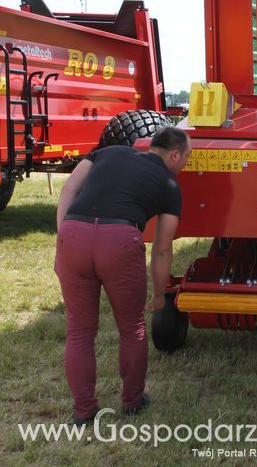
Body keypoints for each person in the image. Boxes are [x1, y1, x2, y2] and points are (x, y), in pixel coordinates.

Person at [55, 126, 191, 425]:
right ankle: (132, 401)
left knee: (79, 331)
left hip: (73, 235)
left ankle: (84, 411)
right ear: (174, 154)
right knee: (132, 328)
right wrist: (158, 294)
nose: (186, 165)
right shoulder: (169, 186)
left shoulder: (108, 152)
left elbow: (69, 190)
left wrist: (61, 238)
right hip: (119, 240)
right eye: (186, 159)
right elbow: (163, 249)